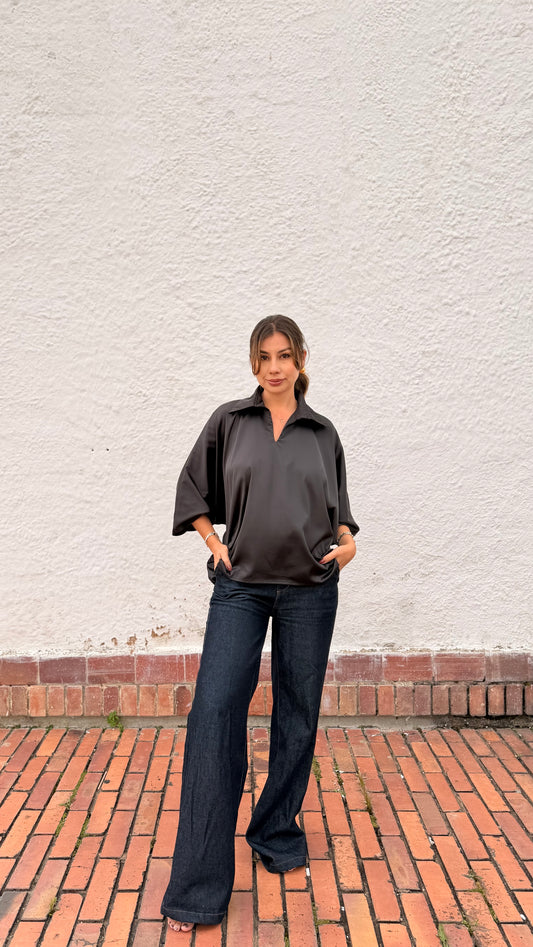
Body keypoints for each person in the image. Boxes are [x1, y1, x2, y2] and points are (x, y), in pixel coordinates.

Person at [161, 315, 358, 934]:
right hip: (241, 588)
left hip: (311, 589)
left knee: (297, 712)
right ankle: (197, 889)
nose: (275, 367)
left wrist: (348, 544)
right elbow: (193, 489)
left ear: (301, 360)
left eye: (285, 355)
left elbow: (339, 512)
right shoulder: (229, 421)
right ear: (254, 364)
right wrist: (213, 543)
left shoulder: (323, 432)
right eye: (265, 357)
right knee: (215, 711)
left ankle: (275, 831)